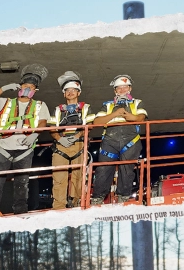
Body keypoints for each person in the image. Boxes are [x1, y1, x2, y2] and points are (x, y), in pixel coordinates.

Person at [0, 64, 51, 216]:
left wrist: (34, 135)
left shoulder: (40, 105)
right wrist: (4, 88)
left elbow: (43, 122)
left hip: (25, 149)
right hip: (3, 147)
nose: (27, 89)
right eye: (25, 86)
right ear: (19, 87)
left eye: (31, 87)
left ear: (35, 91)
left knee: (22, 183)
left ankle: (20, 211)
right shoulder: (6, 102)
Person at [90, 75, 148, 205]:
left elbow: (141, 118)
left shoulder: (137, 103)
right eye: (119, 88)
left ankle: (124, 197)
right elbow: (97, 122)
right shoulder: (107, 105)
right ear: (115, 91)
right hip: (110, 140)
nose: (122, 90)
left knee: (127, 169)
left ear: (130, 89)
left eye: (125, 87)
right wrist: (115, 114)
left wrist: (128, 115)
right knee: (103, 169)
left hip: (131, 140)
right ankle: (98, 198)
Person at [50, 71, 95, 209]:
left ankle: (76, 204)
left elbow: (90, 125)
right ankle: (59, 207)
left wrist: (76, 136)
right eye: (67, 90)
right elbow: (52, 128)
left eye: (73, 90)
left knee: (78, 177)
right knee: (58, 178)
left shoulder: (85, 108)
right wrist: (60, 139)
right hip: (60, 146)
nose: (70, 92)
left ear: (78, 92)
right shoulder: (58, 110)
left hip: (79, 144)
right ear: (64, 94)